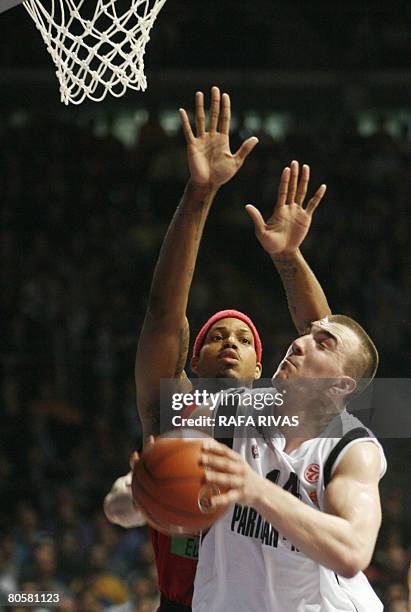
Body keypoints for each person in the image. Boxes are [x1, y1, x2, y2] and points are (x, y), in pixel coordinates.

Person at [104, 86, 330, 611]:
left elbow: (328, 337)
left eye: (244, 338)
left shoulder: (279, 410)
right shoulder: (174, 409)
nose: (229, 342)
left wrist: (290, 258)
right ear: (193, 360)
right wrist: (199, 193)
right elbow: (163, 311)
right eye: (215, 337)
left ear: (262, 366)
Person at [193, 314, 386, 612]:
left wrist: (257, 490)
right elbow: (164, 465)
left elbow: (352, 551)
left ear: (341, 384)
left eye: (322, 345)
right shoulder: (227, 411)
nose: (298, 343)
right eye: (307, 334)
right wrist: (130, 495)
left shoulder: (353, 449)